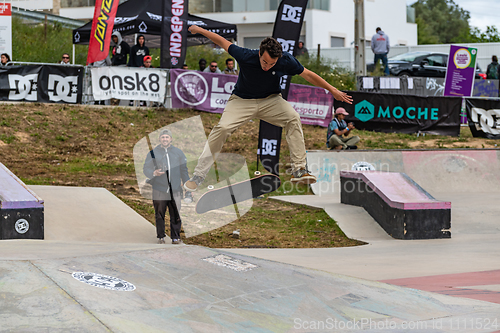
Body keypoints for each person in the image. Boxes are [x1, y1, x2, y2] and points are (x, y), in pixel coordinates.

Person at [184, 25, 353, 191]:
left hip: (271, 101)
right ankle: (199, 175)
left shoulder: (285, 60)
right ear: (259, 53)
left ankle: (299, 169)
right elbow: (221, 41)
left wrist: (333, 90)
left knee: (293, 118)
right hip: (242, 101)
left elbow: (308, 74)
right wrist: (199, 30)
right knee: (222, 128)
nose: (267, 66)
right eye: (264, 61)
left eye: (272, 64)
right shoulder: (245, 55)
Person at [143, 129, 189, 244]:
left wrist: (188, 185)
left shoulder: (178, 152)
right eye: (163, 137)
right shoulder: (153, 153)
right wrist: (154, 173)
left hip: (175, 189)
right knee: (159, 213)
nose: (165, 139)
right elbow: (146, 168)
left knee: (176, 213)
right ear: (159, 139)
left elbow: (184, 170)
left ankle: (175, 237)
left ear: (171, 139)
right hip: (159, 188)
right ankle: (161, 237)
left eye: (167, 137)